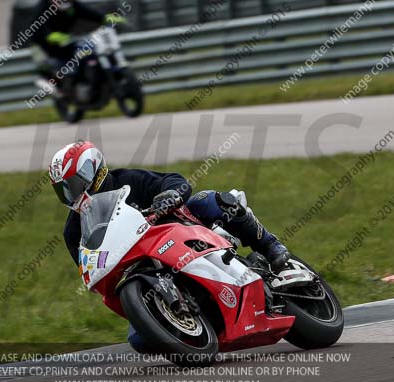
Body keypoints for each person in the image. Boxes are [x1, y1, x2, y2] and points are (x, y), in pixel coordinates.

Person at [49, 141, 311, 351]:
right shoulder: (73, 229)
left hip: (183, 231)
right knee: (140, 341)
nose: (72, 195)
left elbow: (174, 180)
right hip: (140, 264)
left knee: (209, 200)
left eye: (73, 185)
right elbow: (87, 261)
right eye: (64, 191)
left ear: (93, 170)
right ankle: (196, 320)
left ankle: (270, 247)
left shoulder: (128, 179)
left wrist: (169, 195)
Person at [29, 0, 124, 93]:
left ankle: (85, 81)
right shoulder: (43, 6)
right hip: (43, 45)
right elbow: (36, 27)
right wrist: (49, 35)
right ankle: (57, 89)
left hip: (65, 40)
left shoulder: (72, 5)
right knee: (49, 65)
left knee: (85, 52)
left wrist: (105, 17)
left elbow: (87, 12)